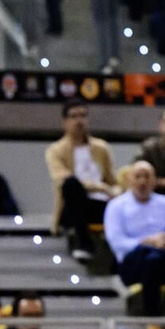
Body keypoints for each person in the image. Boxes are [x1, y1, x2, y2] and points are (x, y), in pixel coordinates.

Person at [104, 162, 165, 318]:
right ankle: (153, 319)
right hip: (133, 262)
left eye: (147, 176)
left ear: (154, 180)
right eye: (138, 176)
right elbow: (117, 242)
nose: (142, 181)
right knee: (152, 260)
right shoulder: (116, 206)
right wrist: (147, 241)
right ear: (130, 179)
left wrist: (161, 239)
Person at [45, 101, 116, 251]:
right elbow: (62, 179)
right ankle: (83, 244)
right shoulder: (55, 151)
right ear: (65, 122)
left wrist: (115, 191)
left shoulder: (101, 148)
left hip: (100, 204)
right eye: (74, 116)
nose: (79, 121)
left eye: (83, 116)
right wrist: (100, 187)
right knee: (70, 185)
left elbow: (112, 181)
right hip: (72, 205)